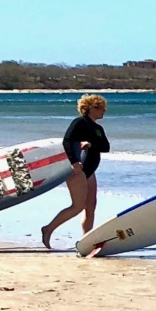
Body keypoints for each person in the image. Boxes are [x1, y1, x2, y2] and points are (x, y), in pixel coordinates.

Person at [41, 94, 110, 248]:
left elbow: (106, 147)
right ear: (92, 108)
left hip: (90, 171)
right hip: (77, 170)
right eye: (101, 108)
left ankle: (87, 241)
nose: (104, 111)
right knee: (78, 206)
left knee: (91, 206)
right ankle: (48, 229)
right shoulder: (79, 123)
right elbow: (67, 141)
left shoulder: (98, 128)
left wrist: (91, 144)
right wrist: (74, 162)